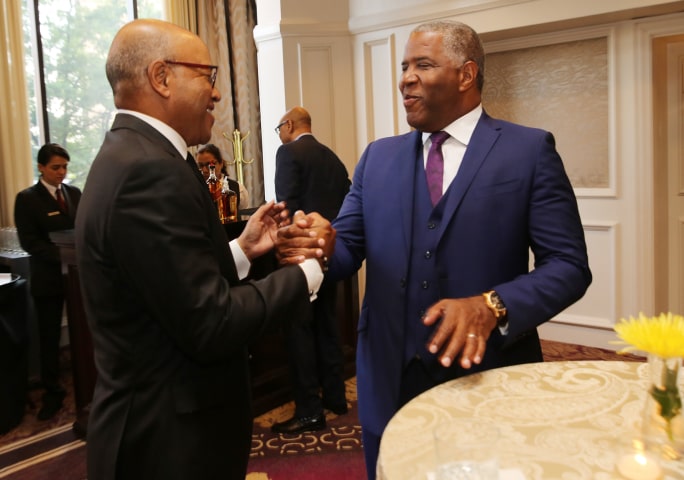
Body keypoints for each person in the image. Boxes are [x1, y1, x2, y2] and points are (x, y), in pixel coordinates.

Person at [325, 20, 592, 479]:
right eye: (404, 66)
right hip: (389, 371)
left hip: (489, 374)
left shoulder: (528, 151)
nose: (405, 77)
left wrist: (494, 306)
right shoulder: (377, 157)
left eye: (422, 65)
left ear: (466, 75)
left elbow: (569, 266)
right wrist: (320, 245)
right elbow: (347, 246)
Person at [74, 19, 333, 480]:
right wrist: (310, 269)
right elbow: (210, 322)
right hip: (166, 444)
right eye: (206, 75)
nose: (216, 94)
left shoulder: (137, 156)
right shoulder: (148, 172)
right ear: (161, 77)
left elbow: (172, 285)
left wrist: (243, 250)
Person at [271, 106, 351, 434]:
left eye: (279, 128)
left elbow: (285, 206)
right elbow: (348, 202)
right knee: (328, 326)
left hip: (300, 259)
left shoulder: (288, 152)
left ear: (288, 125)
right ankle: (336, 397)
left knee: (299, 332)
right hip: (330, 255)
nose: (280, 134)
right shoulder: (332, 157)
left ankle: (308, 412)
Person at [14, 143, 82, 420]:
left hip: (76, 278)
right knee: (49, 337)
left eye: (65, 167)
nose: (61, 173)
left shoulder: (75, 194)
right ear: (41, 167)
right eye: (56, 167)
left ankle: (84, 382)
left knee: (82, 332)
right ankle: (52, 391)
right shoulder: (27, 199)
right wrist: (63, 256)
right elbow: (30, 242)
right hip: (48, 278)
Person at [196, 143, 250, 209]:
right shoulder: (195, 189)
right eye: (200, 166)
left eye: (209, 165)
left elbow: (243, 215)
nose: (204, 170)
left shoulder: (238, 188)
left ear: (221, 163)